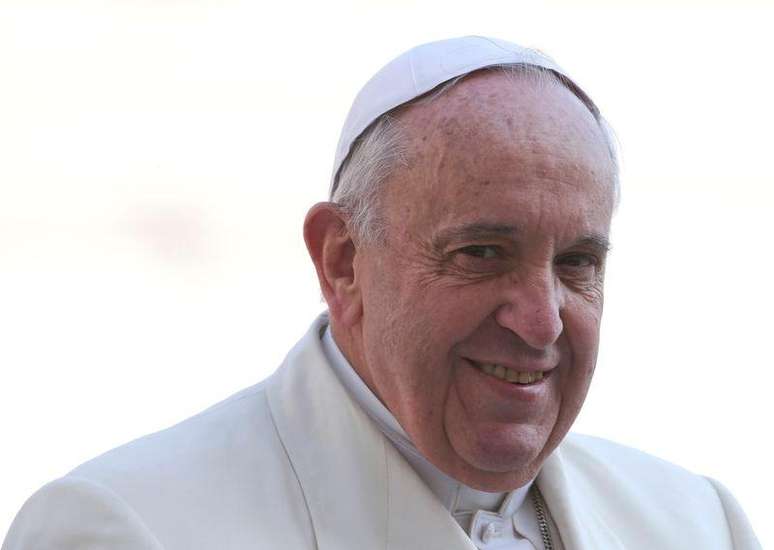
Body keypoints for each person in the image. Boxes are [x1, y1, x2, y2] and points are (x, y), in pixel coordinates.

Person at [2, 36, 761, 550]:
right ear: (342, 263)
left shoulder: (694, 523)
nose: (540, 321)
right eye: (482, 252)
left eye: (576, 263)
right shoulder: (130, 529)